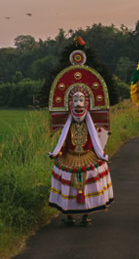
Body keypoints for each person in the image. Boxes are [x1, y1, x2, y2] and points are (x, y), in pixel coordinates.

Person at [48, 85, 113, 226]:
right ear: (70, 104)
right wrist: (57, 153)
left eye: (81, 100)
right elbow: (64, 144)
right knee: (69, 186)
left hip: (88, 157)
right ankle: (69, 216)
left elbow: (96, 142)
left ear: (86, 104)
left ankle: (85, 215)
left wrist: (100, 155)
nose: (78, 104)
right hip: (69, 158)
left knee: (88, 187)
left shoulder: (91, 127)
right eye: (75, 100)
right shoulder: (68, 127)